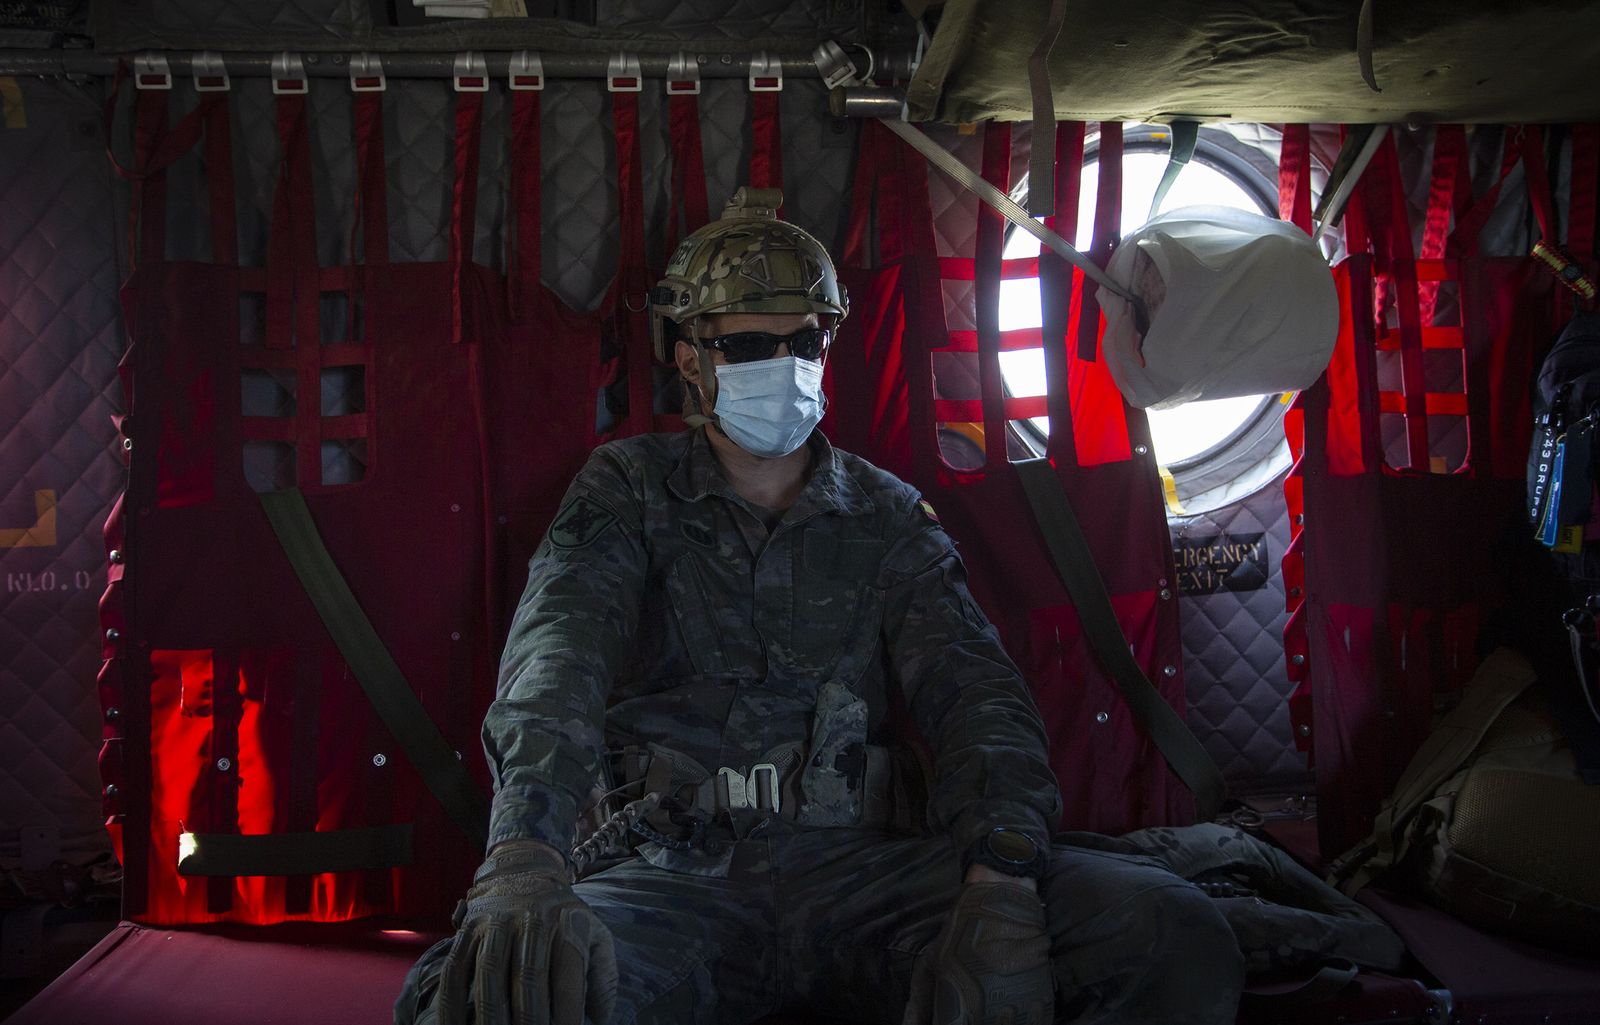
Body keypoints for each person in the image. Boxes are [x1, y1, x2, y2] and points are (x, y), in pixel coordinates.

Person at [396, 188, 1243, 1025]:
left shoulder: (884, 512)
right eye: (751, 345)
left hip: (868, 872)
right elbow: (556, 663)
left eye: (805, 339)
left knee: (1170, 932)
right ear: (690, 357)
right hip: (671, 877)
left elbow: (976, 691)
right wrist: (525, 859)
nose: (786, 363)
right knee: (484, 998)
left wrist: (1002, 881)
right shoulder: (626, 491)